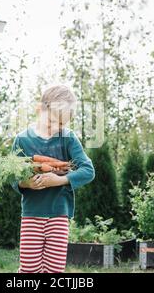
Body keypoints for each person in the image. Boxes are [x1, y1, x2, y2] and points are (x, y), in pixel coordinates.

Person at [11, 84, 95, 273]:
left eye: (61, 124)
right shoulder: (22, 140)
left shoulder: (69, 139)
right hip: (32, 215)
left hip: (59, 215)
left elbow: (88, 170)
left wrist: (59, 180)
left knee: (54, 270)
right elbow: (11, 177)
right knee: (29, 269)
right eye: (50, 121)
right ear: (39, 110)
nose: (55, 128)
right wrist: (26, 183)